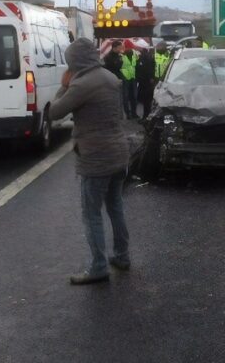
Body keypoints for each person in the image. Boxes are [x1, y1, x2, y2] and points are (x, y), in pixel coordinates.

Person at [49, 39, 130, 285]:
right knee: (115, 206)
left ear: (74, 61)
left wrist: (64, 86)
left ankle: (98, 267)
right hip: (119, 152)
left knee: (91, 213)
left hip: (96, 157)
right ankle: (122, 255)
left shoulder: (81, 84)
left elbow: (54, 112)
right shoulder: (109, 77)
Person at [135, 47, 156, 119]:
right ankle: (147, 115)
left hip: (144, 82)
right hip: (147, 82)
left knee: (146, 101)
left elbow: (141, 69)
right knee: (148, 101)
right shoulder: (150, 58)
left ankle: (146, 116)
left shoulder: (143, 58)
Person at [119, 45, 139, 119]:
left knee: (134, 97)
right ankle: (128, 113)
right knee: (126, 97)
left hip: (133, 79)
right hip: (125, 79)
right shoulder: (122, 58)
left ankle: (134, 113)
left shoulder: (134, 57)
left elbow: (136, 66)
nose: (130, 50)